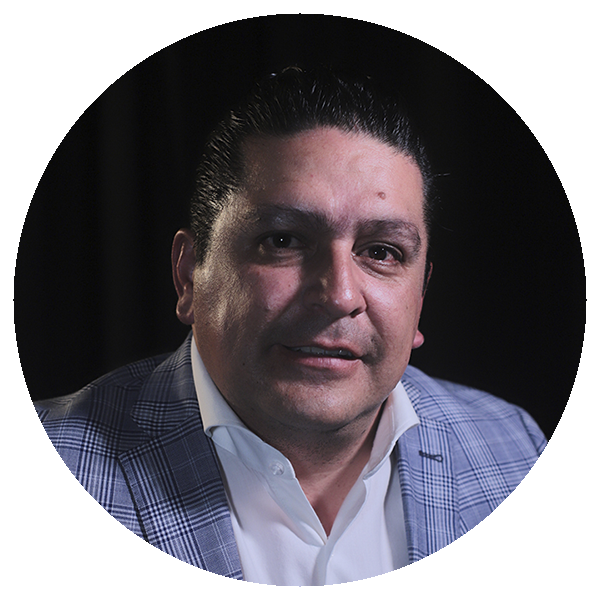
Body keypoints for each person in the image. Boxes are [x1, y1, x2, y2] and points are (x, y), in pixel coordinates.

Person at [34, 67, 546, 585]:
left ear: (419, 300)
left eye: (381, 252)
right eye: (283, 240)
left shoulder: (516, 450)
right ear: (189, 275)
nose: (340, 296)